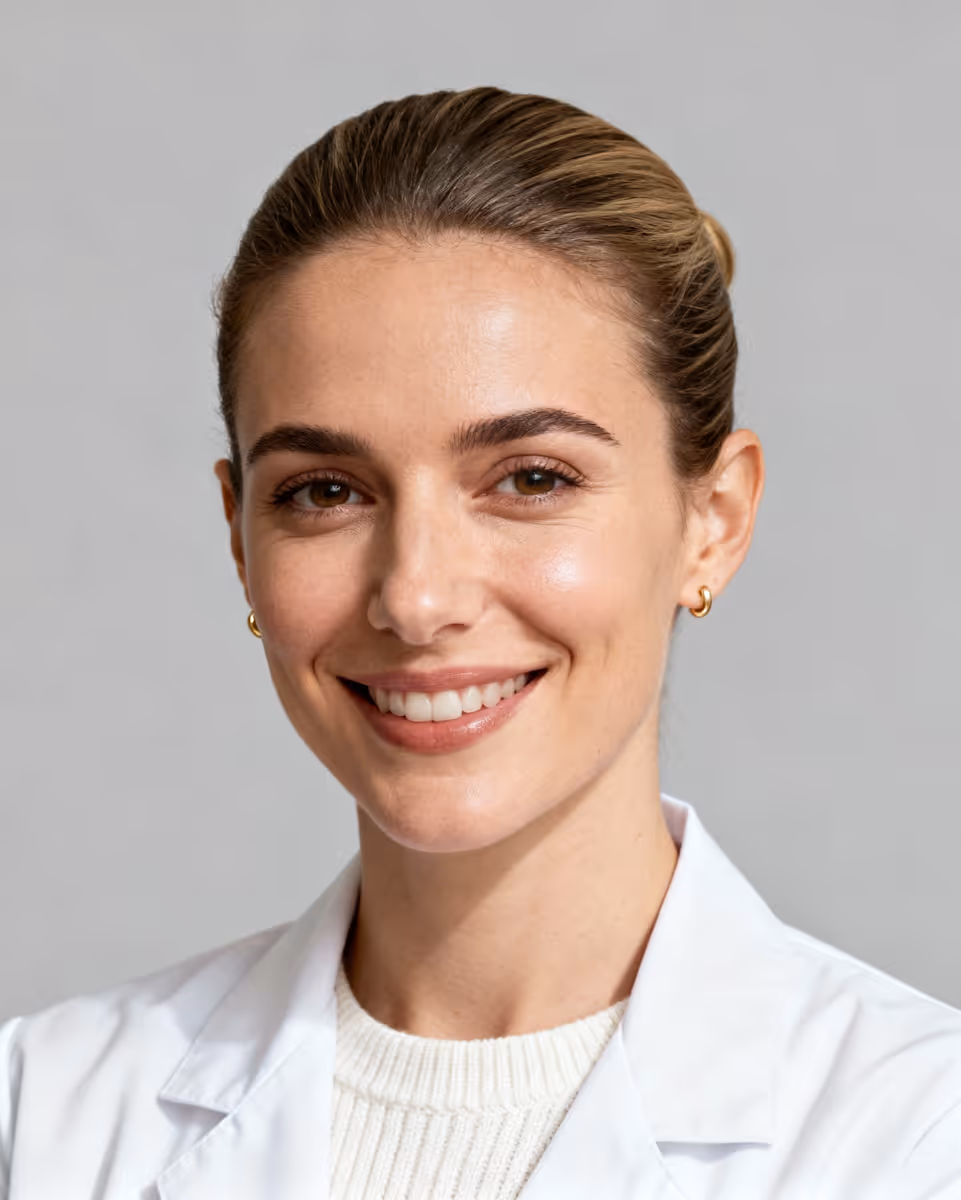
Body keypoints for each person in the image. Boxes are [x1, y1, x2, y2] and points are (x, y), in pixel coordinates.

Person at [1, 86, 959, 1200]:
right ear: (238, 535)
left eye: (531, 479)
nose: (414, 596)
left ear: (716, 519)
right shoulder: (40, 1122)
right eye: (323, 492)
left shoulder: (919, 1140)